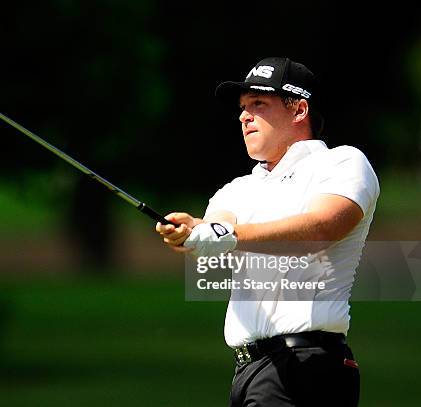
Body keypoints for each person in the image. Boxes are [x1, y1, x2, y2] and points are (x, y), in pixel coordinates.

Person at [155, 57, 379, 407]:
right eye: (243, 107)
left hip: (307, 366)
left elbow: (322, 228)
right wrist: (190, 233)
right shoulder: (237, 189)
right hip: (249, 373)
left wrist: (227, 235)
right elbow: (214, 233)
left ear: (299, 109)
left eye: (258, 104)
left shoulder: (342, 163)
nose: (244, 116)